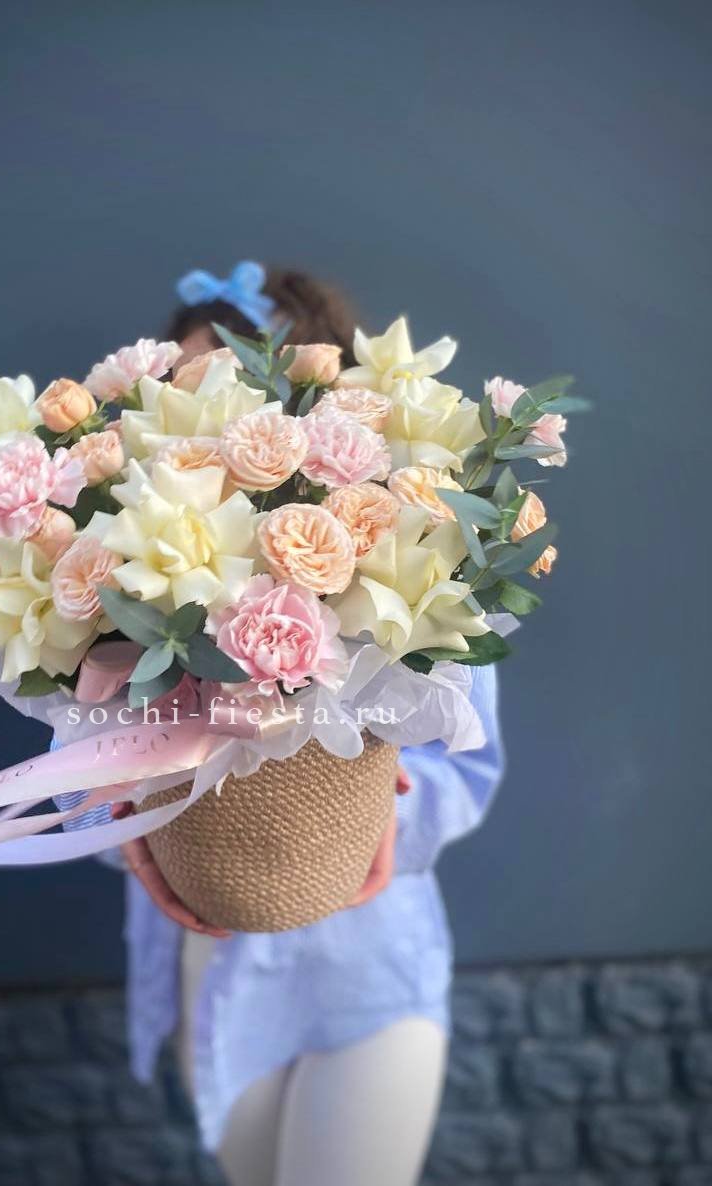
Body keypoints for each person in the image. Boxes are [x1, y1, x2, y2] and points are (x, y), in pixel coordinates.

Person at [59, 263, 505, 1186]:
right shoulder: (122, 584)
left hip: (366, 980)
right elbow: (76, 778)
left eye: (251, 382)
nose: (223, 417)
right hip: (212, 968)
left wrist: (382, 814)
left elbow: (469, 769)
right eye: (192, 386)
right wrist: (123, 815)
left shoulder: (417, 564)